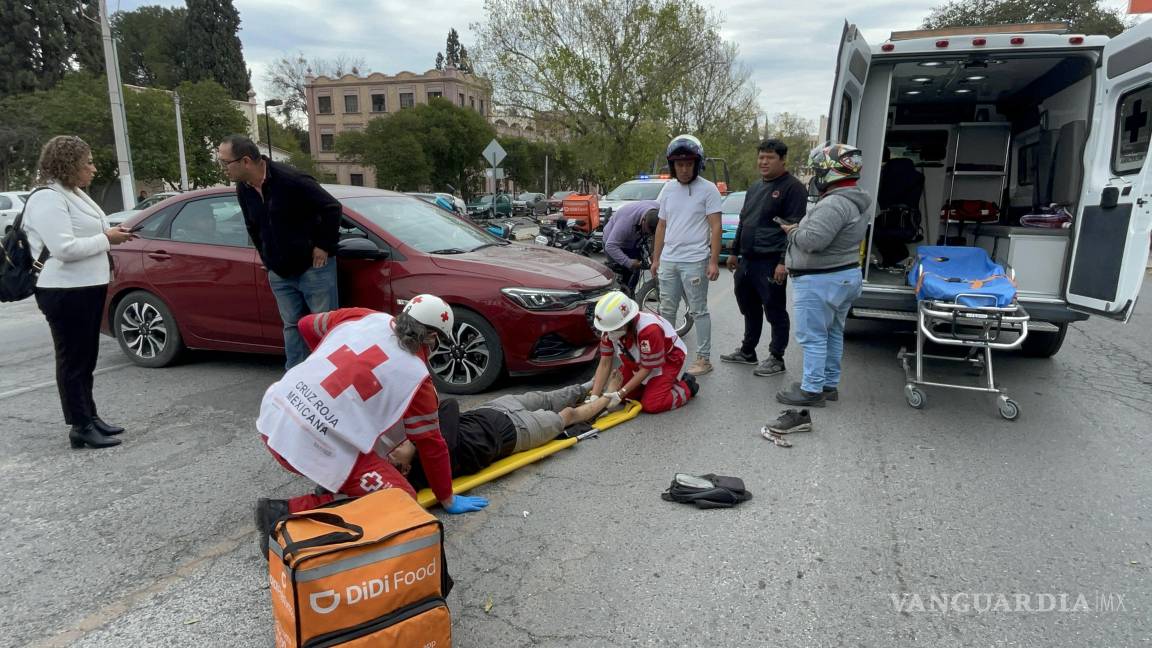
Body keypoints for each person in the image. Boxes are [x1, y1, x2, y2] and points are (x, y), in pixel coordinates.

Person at [253, 295, 489, 557]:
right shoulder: (417, 379)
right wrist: (447, 498)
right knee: (399, 499)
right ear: (432, 337)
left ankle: (337, 484)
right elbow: (431, 445)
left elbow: (307, 324)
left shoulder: (364, 316)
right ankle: (286, 513)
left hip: (274, 415)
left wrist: (319, 361)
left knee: (365, 455)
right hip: (316, 443)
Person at [24, 135, 135, 450]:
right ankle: (80, 425)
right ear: (69, 164)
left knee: (86, 358)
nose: (93, 168)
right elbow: (63, 248)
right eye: (87, 162)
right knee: (73, 360)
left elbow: (92, 232)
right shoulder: (47, 197)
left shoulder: (72, 193)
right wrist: (107, 239)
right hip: (63, 290)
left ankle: (91, 416)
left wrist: (110, 236)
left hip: (85, 287)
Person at [217, 134, 341, 369]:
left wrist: (323, 246)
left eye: (225, 162)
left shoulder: (291, 179)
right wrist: (267, 257)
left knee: (322, 325)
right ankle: (294, 378)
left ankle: (326, 377)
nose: (223, 168)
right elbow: (252, 227)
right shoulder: (243, 189)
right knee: (292, 325)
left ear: (245, 161)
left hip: (313, 268)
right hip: (280, 273)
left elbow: (332, 207)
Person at [387, 373, 627, 489]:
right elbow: (449, 405)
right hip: (518, 431)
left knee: (548, 397)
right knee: (566, 416)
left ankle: (589, 385)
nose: (395, 447)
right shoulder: (436, 459)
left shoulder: (425, 446)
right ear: (407, 469)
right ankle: (608, 397)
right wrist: (422, 433)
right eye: (395, 454)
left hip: (496, 409)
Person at [776, 142, 870, 407]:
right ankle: (828, 384)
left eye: (818, 170)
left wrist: (792, 230)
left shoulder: (835, 203)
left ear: (830, 172)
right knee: (833, 333)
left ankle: (811, 390)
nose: (815, 176)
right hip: (843, 275)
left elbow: (812, 241)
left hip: (822, 280)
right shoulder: (855, 199)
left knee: (814, 336)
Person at [722, 139, 809, 377]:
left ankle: (777, 357)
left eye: (769, 157)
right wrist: (733, 251)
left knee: (775, 310)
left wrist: (783, 261)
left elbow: (793, 228)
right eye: (761, 157)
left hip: (771, 261)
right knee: (748, 306)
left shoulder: (794, 188)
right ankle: (748, 351)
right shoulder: (755, 187)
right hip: (747, 260)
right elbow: (744, 220)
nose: (763, 161)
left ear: (782, 160)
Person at [651, 134, 723, 376]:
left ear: (697, 164)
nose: (683, 169)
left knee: (698, 310)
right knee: (666, 310)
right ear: (672, 166)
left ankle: (703, 359)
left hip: (695, 259)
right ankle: (666, 354)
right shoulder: (668, 189)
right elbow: (661, 225)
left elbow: (715, 226)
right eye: (679, 165)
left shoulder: (708, 189)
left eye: (688, 164)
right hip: (669, 260)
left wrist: (713, 260)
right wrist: (656, 258)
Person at [588, 290, 698, 414]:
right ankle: (655, 387)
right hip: (637, 360)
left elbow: (647, 368)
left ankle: (686, 387)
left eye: (613, 329)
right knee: (626, 396)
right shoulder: (609, 328)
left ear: (626, 322)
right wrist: (594, 397)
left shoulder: (649, 330)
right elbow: (605, 363)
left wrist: (621, 393)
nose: (609, 334)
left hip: (668, 359)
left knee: (651, 404)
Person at [601, 199, 660, 294]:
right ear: (643, 220)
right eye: (648, 231)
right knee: (623, 275)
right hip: (614, 243)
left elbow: (657, 237)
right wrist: (628, 262)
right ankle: (617, 297)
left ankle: (630, 295)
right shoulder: (626, 222)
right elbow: (611, 246)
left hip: (633, 241)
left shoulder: (660, 211)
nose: (649, 234)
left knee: (635, 272)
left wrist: (654, 255)